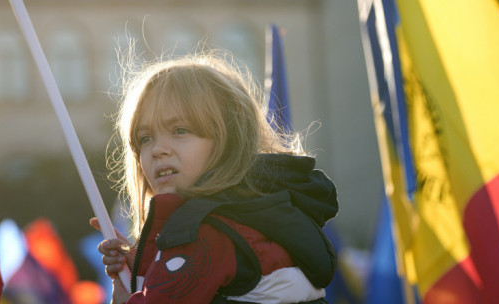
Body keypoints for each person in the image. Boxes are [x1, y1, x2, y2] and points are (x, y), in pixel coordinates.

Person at [90, 50, 338, 303]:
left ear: (228, 139)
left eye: (180, 130)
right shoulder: (258, 216)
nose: (158, 149)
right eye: (145, 138)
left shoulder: (204, 232)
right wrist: (144, 266)